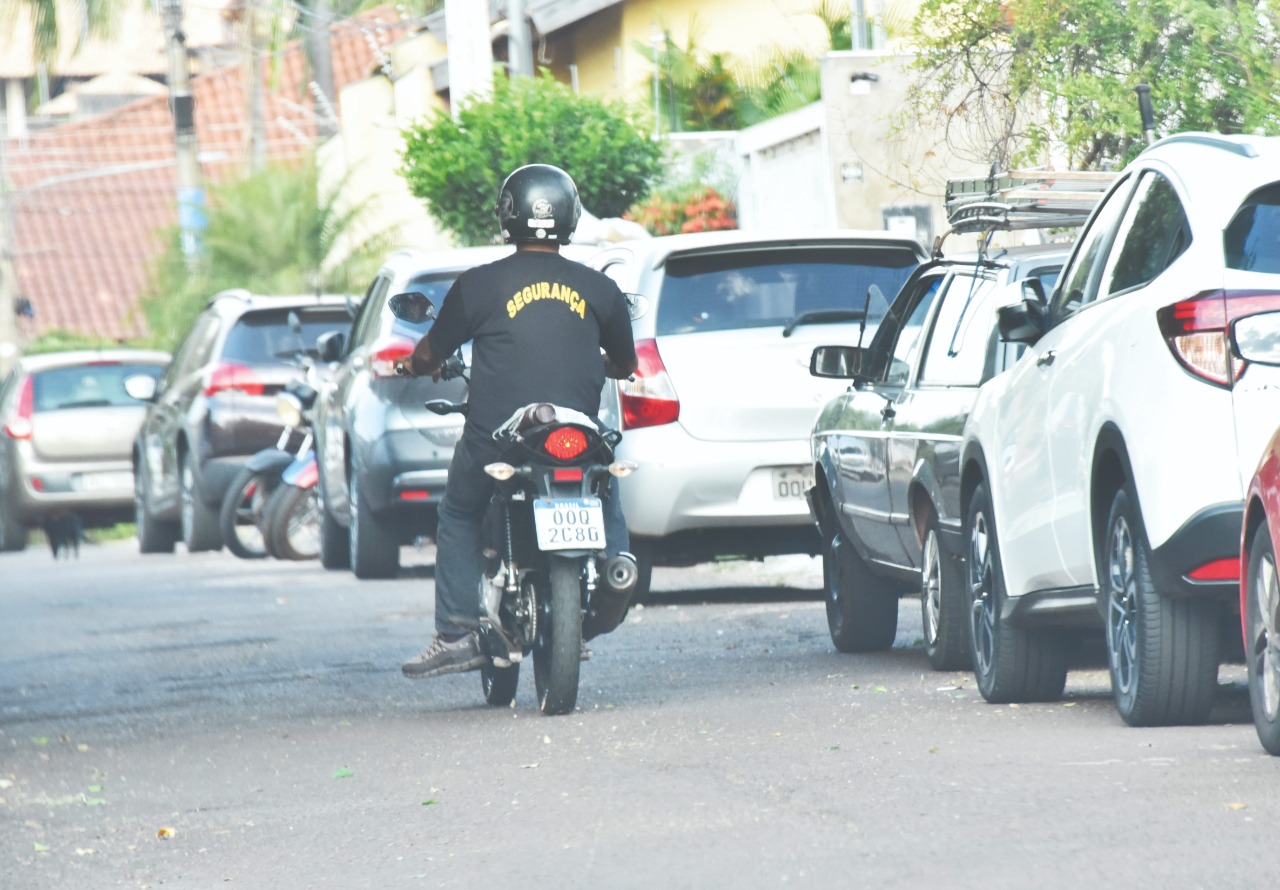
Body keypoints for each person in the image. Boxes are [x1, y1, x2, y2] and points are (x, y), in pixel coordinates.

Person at [398, 163, 639, 680]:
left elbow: (430, 351)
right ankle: (617, 568)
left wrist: (416, 364)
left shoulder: (478, 286)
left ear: (508, 216)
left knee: (459, 513)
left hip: (499, 440)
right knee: (605, 484)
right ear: (571, 217)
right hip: (579, 435)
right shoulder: (599, 289)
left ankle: (457, 632)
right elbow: (625, 364)